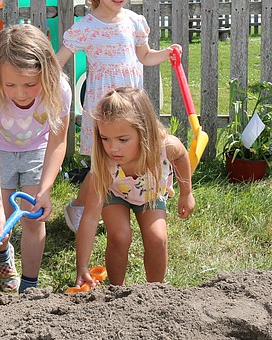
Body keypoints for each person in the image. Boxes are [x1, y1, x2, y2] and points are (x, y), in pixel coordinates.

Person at [56, 0, 180, 233]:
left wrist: (167, 53)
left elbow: (145, 56)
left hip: (132, 104)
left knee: (125, 157)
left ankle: (125, 199)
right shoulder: (86, 27)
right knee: (102, 164)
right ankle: (80, 207)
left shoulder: (134, 21)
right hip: (103, 106)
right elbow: (58, 60)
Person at [0, 24, 71, 292]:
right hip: (1, 151)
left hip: (37, 150)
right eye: (11, 84)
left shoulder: (60, 89)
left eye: (30, 84)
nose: (20, 93)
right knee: (2, 217)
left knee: (33, 217)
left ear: (47, 73)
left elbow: (57, 142)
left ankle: (30, 284)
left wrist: (46, 187)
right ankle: (4, 258)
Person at [74, 87, 195, 287]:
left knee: (157, 238)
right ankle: (116, 289)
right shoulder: (106, 164)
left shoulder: (166, 147)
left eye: (123, 140)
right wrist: (82, 267)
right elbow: (89, 218)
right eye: (105, 138)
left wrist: (186, 193)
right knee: (120, 237)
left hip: (150, 194)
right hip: (116, 195)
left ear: (144, 132)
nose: (113, 148)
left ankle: (154, 290)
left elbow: (182, 156)